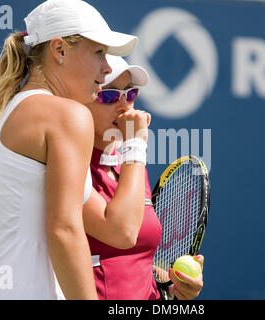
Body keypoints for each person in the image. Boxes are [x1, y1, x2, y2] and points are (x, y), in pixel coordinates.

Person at [0, 0, 138, 300]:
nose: (106, 69)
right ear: (60, 50)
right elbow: (64, 231)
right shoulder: (69, 116)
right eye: (99, 52)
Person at [82, 55, 204, 300]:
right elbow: (116, 237)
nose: (125, 104)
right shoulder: (69, 165)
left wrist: (172, 287)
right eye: (109, 95)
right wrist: (136, 145)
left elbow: (134, 262)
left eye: (131, 93)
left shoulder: (131, 165)